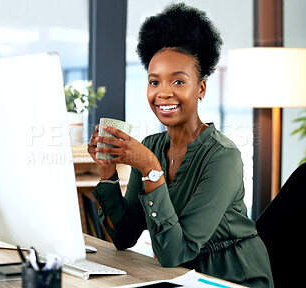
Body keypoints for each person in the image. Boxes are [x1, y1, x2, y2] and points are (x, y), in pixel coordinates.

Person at [87, 3, 274, 287]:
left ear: (200, 88)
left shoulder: (223, 156)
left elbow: (175, 252)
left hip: (231, 278)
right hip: (177, 275)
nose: (163, 93)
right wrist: (107, 171)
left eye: (178, 81)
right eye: (154, 81)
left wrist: (151, 168)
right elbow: (124, 237)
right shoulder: (152, 146)